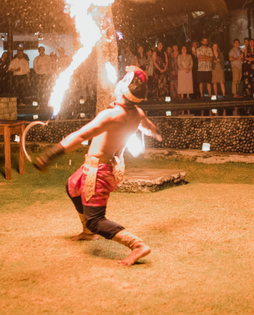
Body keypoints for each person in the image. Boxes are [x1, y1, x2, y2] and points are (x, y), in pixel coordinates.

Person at [34, 66, 161, 266]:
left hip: (100, 171)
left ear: (124, 91)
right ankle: (88, 233)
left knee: (96, 219)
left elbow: (80, 136)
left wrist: (51, 154)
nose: (118, 83)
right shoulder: (137, 113)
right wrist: (155, 132)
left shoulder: (111, 115)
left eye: (122, 82)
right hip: (106, 166)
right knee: (72, 185)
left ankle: (137, 245)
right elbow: (148, 128)